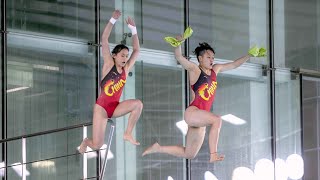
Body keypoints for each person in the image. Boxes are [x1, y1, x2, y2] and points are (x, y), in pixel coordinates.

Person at [143, 35, 261, 162]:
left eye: (213, 57)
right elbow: (179, 57)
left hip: (201, 120)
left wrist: (249, 55)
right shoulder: (195, 70)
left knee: (189, 154)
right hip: (193, 113)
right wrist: (177, 44)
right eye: (208, 57)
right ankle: (213, 153)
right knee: (217, 120)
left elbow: (234, 65)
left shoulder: (216, 69)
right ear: (200, 58)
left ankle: (158, 148)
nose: (211, 60)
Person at [79, 10, 142, 154]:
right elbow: (104, 39)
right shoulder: (108, 64)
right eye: (122, 55)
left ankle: (127, 133)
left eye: (126, 56)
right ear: (114, 56)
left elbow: (137, 50)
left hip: (115, 107)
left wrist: (133, 30)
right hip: (101, 109)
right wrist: (112, 20)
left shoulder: (125, 69)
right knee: (97, 145)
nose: (125, 58)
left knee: (138, 104)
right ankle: (85, 141)